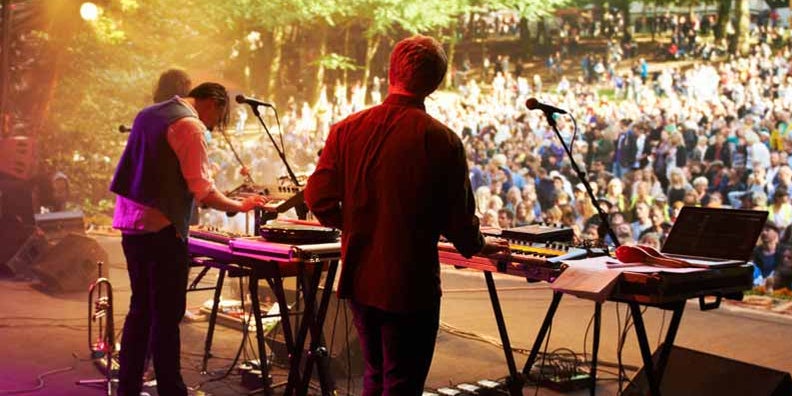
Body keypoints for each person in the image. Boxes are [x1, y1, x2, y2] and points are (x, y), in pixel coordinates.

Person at [304, 35, 507, 395]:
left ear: (390, 72)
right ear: (436, 83)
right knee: (402, 383)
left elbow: (317, 198)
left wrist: (356, 223)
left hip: (360, 275)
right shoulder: (441, 139)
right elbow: (459, 221)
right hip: (410, 283)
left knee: (375, 375)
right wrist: (482, 246)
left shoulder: (346, 129)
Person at [110, 82, 269, 396]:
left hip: (131, 224)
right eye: (217, 117)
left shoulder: (149, 114)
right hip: (161, 229)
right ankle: (172, 389)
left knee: (141, 308)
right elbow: (203, 190)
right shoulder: (190, 125)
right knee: (168, 314)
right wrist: (240, 205)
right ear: (213, 103)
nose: (213, 125)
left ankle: (128, 385)